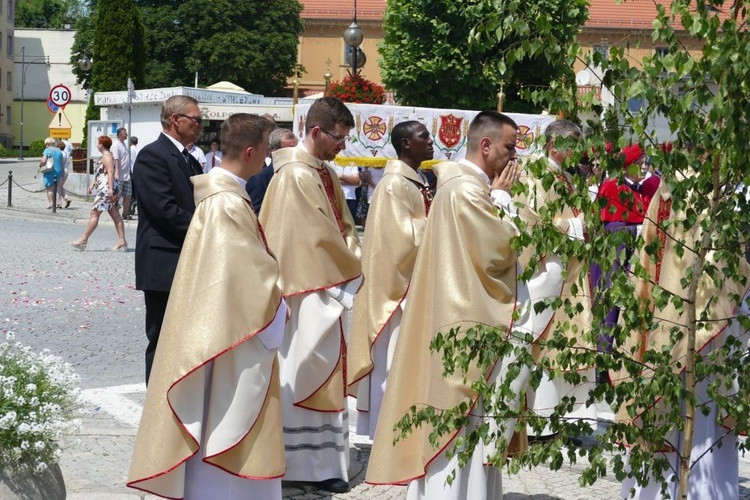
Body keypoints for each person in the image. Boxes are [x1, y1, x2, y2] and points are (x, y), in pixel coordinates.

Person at [366, 111, 538, 499]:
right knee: (459, 431)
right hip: (466, 327)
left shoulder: (472, 187)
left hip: (466, 317)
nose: (515, 156)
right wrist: (506, 200)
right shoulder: (464, 190)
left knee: (471, 434)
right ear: (486, 145)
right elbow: (501, 249)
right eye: (510, 147)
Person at [127, 114, 284, 500]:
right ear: (249, 152)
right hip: (228, 332)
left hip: (223, 323)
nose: (267, 159)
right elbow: (246, 274)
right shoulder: (226, 204)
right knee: (224, 413)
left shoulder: (226, 196)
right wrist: (277, 291)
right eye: (265, 151)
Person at [615, 176, 750, 498]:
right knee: (704, 423)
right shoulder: (713, 190)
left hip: (661, 325)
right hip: (708, 329)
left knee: (666, 410)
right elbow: (726, 266)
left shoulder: (663, 188)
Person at [258, 97, 361, 494]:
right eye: (338, 137)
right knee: (304, 371)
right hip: (304, 294)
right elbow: (312, 239)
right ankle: (302, 464)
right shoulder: (296, 176)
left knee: (323, 370)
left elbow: (344, 227)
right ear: (316, 132)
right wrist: (349, 264)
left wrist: (351, 256)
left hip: (324, 288)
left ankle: (324, 462)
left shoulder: (322, 172)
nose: (342, 146)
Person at [347, 120, 434, 439]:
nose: (431, 141)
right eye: (424, 136)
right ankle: (387, 430)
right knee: (392, 360)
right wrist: (436, 222)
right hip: (395, 291)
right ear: (406, 144)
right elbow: (397, 239)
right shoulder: (393, 184)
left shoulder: (415, 180)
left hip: (413, 283)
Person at [516, 119, 597, 440]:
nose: (578, 152)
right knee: (542, 343)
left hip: (569, 271)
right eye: (573, 145)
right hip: (546, 270)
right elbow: (530, 222)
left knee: (564, 342)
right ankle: (538, 421)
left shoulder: (563, 175)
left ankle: (559, 416)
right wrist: (575, 227)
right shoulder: (534, 172)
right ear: (554, 145)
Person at [132, 95, 204, 384]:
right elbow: (164, 211)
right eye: (196, 119)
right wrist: (206, 226)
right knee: (162, 339)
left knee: (185, 339)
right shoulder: (153, 155)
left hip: (187, 259)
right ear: (176, 120)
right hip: (164, 263)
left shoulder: (190, 158)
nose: (201, 125)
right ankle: (156, 410)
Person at [70, 136, 128, 252]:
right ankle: (122, 241)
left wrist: (110, 189)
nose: (97, 145)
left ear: (102, 144)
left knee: (94, 213)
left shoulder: (107, 156)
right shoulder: (105, 156)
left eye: (98, 143)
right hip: (104, 187)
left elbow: (110, 172)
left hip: (106, 189)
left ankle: (83, 240)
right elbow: (102, 173)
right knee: (114, 213)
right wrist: (93, 184)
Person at [246, 127, 297, 214]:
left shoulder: (300, 175)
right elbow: (255, 213)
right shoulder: (259, 179)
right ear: (274, 151)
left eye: (295, 149)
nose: (293, 153)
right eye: (287, 150)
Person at [112, 128, 133, 221]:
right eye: (125, 134)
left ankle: (125, 213)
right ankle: (115, 214)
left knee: (128, 195)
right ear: (120, 135)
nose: (126, 135)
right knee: (117, 196)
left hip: (127, 175)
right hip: (119, 175)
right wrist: (116, 173)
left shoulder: (124, 145)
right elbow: (116, 160)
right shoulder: (116, 145)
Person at [40, 137, 64, 209]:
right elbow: (62, 162)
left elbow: (44, 161)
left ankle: (52, 203)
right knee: (58, 188)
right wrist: (62, 172)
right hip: (59, 170)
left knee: (50, 188)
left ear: (47, 144)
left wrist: (40, 164)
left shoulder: (47, 150)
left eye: (45, 144)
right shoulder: (59, 151)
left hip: (50, 170)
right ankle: (59, 203)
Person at [56, 141, 72, 208]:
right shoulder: (65, 153)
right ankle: (66, 198)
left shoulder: (60, 154)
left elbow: (61, 163)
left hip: (61, 170)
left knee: (58, 187)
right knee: (60, 186)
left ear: (59, 147)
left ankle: (58, 203)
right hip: (66, 170)